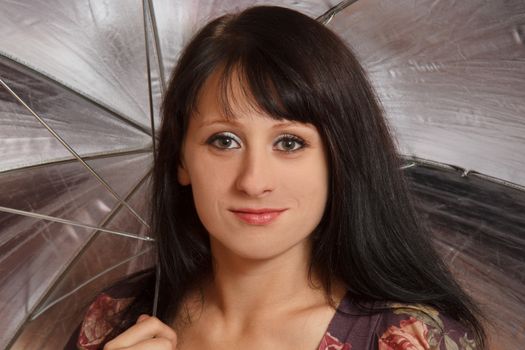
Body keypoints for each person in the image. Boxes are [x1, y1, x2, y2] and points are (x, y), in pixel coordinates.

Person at [71, 5, 486, 349]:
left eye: (289, 143)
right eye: (224, 141)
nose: (253, 182)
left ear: (339, 158)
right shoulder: (115, 319)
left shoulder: (410, 340)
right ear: (181, 160)